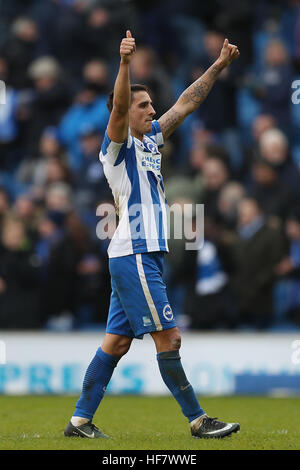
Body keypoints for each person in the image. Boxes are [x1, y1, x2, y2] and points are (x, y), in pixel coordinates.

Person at [64, 30, 241, 440]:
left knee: (117, 343)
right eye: (143, 105)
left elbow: (186, 103)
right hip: (136, 251)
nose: (151, 109)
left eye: (150, 104)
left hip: (144, 253)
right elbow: (122, 103)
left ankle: (79, 421)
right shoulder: (117, 145)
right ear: (124, 113)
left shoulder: (150, 142)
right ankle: (198, 420)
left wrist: (217, 66)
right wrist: (125, 63)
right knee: (170, 336)